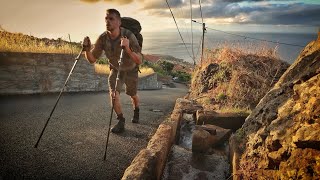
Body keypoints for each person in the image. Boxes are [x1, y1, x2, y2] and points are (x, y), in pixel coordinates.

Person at [82, 9, 142, 133]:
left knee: (133, 95)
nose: (107, 21)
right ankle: (121, 120)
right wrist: (87, 50)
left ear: (119, 22)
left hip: (131, 69)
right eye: (106, 18)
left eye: (111, 19)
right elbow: (92, 59)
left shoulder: (129, 35)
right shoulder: (103, 38)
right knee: (114, 95)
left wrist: (128, 49)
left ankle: (136, 110)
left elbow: (139, 60)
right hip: (116, 69)